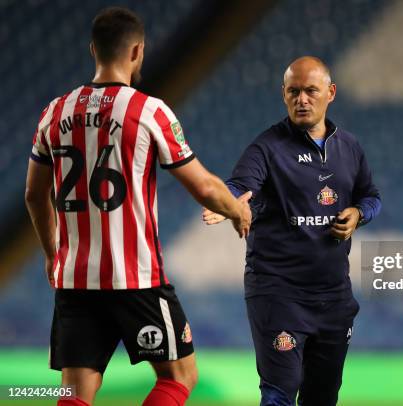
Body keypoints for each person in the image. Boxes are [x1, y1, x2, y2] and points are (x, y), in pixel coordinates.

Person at [24, 7, 251, 406]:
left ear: (93, 50)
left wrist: (51, 253)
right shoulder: (149, 111)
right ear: (137, 52)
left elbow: (33, 195)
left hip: (75, 278)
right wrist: (237, 209)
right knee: (180, 376)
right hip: (136, 276)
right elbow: (202, 185)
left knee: (76, 392)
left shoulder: (54, 112)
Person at [203, 56, 381, 406]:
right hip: (278, 293)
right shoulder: (266, 147)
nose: (302, 99)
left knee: (322, 398)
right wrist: (227, 203)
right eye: (293, 91)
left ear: (330, 93)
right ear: (283, 95)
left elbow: (371, 196)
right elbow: (240, 183)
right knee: (278, 393)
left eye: (311, 91)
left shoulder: (350, 147)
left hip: (333, 297)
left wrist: (359, 213)